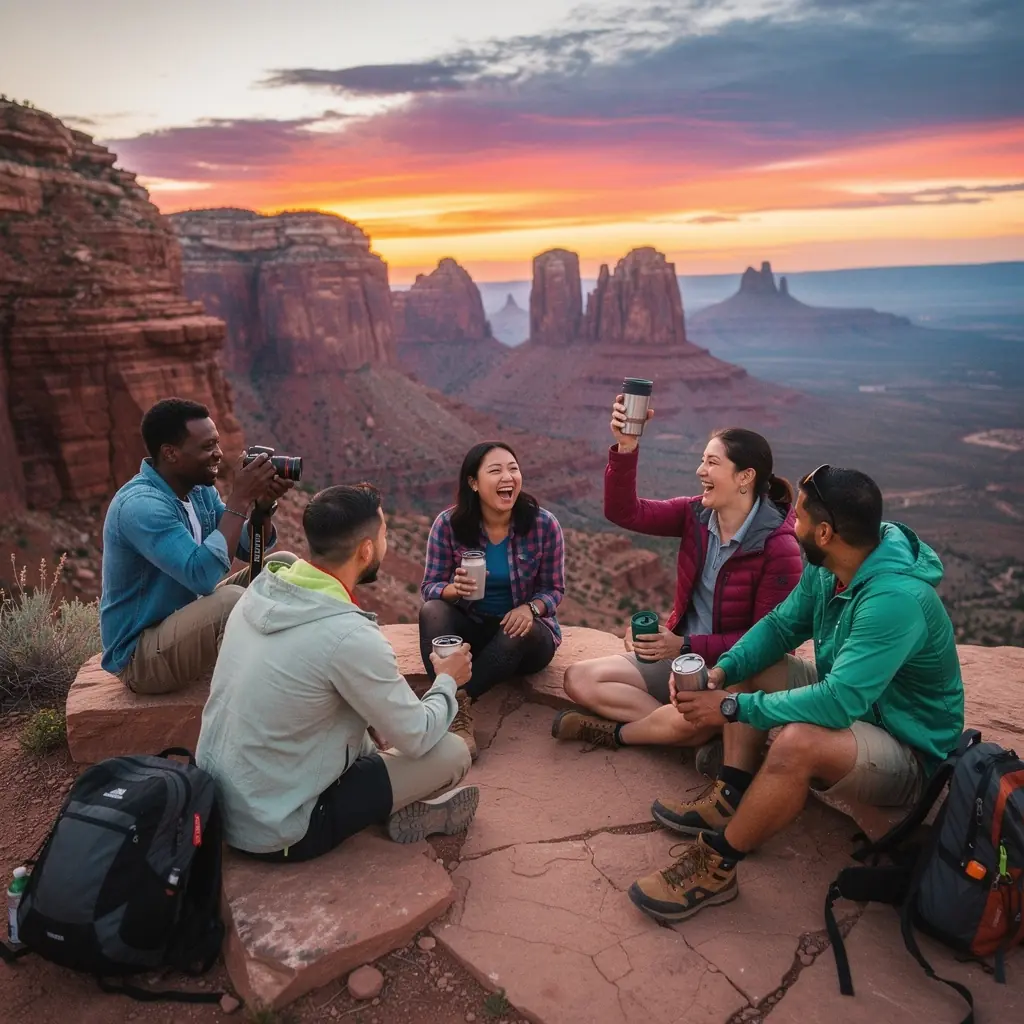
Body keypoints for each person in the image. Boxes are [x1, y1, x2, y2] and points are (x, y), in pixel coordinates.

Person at [628, 465, 965, 922]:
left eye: (801, 517)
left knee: (797, 742)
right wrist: (720, 674)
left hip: (908, 750)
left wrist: (730, 707)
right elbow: (781, 625)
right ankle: (730, 796)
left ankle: (718, 864)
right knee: (750, 664)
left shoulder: (894, 601)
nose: (792, 524)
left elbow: (836, 703)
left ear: (825, 532)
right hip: (862, 711)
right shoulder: (835, 564)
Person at [197, 483, 478, 861]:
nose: (385, 542)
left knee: (354, 717)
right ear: (366, 550)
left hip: (219, 808)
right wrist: (447, 680)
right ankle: (390, 807)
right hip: (283, 832)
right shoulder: (348, 634)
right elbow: (416, 735)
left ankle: (385, 796)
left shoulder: (261, 589)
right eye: (383, 534)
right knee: (452, 751)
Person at [552, 397, 802, 770]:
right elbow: (624, 512)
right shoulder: (695, 515)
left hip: (730, 673)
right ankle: (689, 732)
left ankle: (622, 734)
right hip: (679, 661)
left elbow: (765, 640)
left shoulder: (779, 548)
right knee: (580, 678)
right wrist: (626, 447)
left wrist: (683, 642)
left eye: (712, 462)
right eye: (702, 460)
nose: (700, 470)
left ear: (745, 477)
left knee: (695, 712)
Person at [99, 398, 297, 694]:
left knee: (283, 567)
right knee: (231, 600)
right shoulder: (141, 506)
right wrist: (240, 499)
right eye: (207, 447)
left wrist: (263, 506)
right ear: (171, 453)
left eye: (216, 443)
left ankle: (289, 662)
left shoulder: (199, 491)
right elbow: (202, 575)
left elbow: (244, 546)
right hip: (141, 658)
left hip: (186, 627)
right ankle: (268, 684)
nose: (219, 453)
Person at [418, 441, 565, 759]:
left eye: (513, 469)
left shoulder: (543, 524)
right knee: (432, 611)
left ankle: (448, 707)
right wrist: (452, 591)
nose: (508, 477)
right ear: (473, 482)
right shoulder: (449, 525)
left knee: (517, 630)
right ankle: (455, 710)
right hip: (473, 627)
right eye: (496, 471)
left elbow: (554, 589)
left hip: (524, 638)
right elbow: (430, 586)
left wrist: (530, 609)